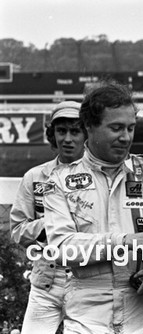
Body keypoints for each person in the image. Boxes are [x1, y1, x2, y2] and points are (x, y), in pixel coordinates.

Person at [43, 81, 143, 334]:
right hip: (88, 315)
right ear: (89, 127)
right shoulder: (60, 182)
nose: (125, 137)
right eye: (116, 128)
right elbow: (62, 248)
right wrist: (124, 241)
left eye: (131, 128)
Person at [10, 101, 86, 334]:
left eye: (75, 131)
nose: (67, 139)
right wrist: (54, 225)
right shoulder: (34, 176)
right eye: (61, 131)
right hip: (46, 282)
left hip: (88, 283)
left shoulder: (102, 177)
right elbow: (17, 230)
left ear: (87, 134)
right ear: (52, 135)